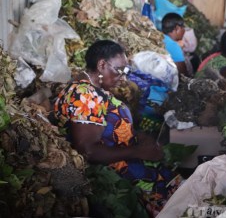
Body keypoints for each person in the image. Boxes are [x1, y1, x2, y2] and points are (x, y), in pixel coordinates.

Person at [54, 40, 181, 216]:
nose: (123, 77)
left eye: (125, 71)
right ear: (102, 65)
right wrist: (137, 151)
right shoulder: (85, 95)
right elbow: (88, 151)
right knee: (176, 200)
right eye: (119, 70)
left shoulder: (92, 88)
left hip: (124, 161)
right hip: (116, 174)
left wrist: (136, 135)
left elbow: (105, 127)